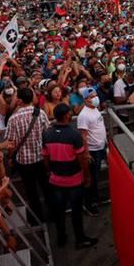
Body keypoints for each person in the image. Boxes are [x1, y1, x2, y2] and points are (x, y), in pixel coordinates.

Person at [42, 104, 97, 248]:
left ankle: (61, 237)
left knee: (59, 211)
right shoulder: (74, 135)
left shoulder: (47, 134)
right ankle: (80, 239)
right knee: (76, 211)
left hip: (56, 180)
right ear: (67, 115)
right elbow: (82, 159)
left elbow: (45, 157)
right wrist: (87, 176)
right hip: (74, 180)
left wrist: (49, 171)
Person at [4, 87, 50, 222]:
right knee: (46, 188)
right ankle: (53, 214)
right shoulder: (40, 113)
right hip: (41, 157)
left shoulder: (13, 119)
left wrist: (11, 157)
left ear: (19, 100)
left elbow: (11, 143)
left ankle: (38, 218)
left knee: (32, 192)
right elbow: (47, 133)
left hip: (24, 162)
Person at [76, 88, 107, 216]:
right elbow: (83, 136)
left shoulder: (95, 109)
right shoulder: (83, 115)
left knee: (96, 176)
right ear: (85, 100)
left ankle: (95, 199)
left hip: (101, 147)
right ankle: (89, 203)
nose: (95, 98)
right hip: (92, 150)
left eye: (95, 95)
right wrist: (86, 153)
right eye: (91, 97)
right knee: (91, 178)